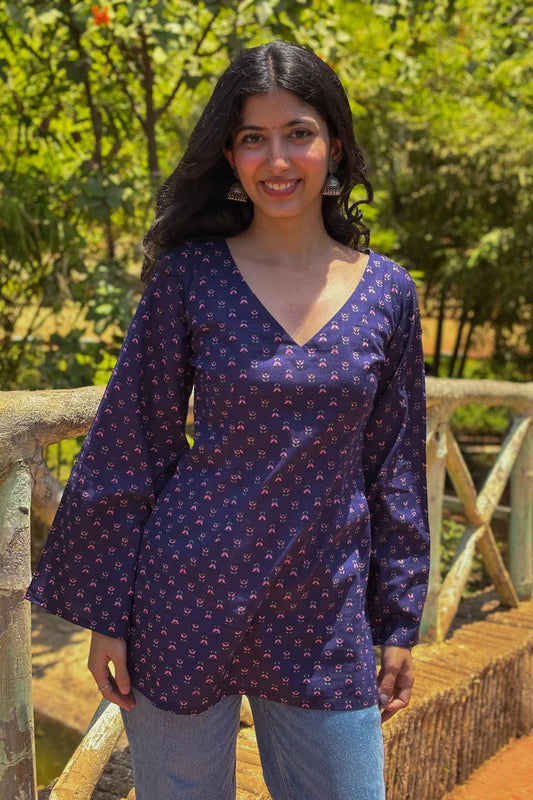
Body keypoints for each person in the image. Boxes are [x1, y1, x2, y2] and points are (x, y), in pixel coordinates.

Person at [27, 40, 429, 800]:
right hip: (185, 597)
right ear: (230, 155)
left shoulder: (386, 293)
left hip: (324, 607)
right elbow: (129, 444)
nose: (276, 159)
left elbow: (394, 464)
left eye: (297, 133)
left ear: (333, 144)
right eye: (252, 138)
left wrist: (397, 618)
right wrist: (109, 613)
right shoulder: (190, 276)